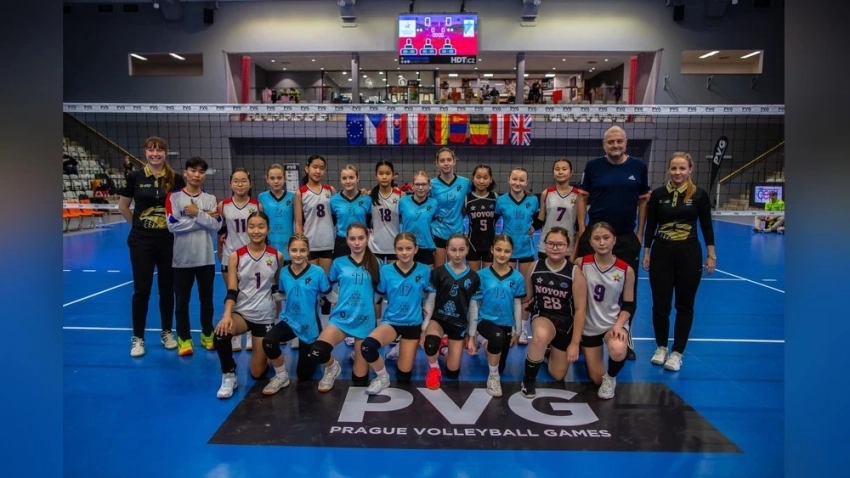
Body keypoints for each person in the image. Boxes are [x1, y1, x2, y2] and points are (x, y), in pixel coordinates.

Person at [572, 125, 650, 360]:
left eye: (619, 141)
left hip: (625, 236)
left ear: (626, 143)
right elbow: (582, 198)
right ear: (604, 145)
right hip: (596, 235)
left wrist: (639, 233)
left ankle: (625, 336)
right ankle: (582, 336)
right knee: (584, 286)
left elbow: (643, 201)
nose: (615, 145)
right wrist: (583, 229)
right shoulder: (593, 166)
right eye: (610, 142)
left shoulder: (638, 167)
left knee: (627, 289)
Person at [643, 152, 716, 371]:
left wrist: (711, 255)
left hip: (689, 254)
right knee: (661, 305)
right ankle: (661, 347)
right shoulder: (658, 195)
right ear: (668, 169)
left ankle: (677, 353)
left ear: (690, 170)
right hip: (661, 252)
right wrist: (647, 252)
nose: (677, 172)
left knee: (685, 305)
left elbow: (707, 226)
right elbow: (651, 225)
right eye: (674, 168)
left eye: (682, 168)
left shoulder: (699, 195)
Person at [118, 136, 185, 357]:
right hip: (141, 242)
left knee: (167, 289)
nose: (155, 154)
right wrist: (139, 227)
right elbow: (123, 206)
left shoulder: (175, 178)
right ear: (145, 152)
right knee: (142, 290)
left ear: (165, 153)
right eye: (151, 150)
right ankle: (138, 338)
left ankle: (167, 332)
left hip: (168, 241)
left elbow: (182, 206)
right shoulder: (135, 177)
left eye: (159, 150)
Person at [213, 211, 284, 399]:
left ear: (268, 229)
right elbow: (232, 290)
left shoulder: (277, 256)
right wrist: (226, 315)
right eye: (252, 226)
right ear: (246, 229)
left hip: (264, 316)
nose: (256, 231)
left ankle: (265, 357)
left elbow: (277, 286)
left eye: (261, 226)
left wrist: (279, 308)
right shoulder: (236, 256)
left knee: (257, 373)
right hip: (242, 314)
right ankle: (229, 375)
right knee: (220, 333)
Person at [307, 223, 380, 393]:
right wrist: (337, 300)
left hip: (364, 321)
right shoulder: (338, 263)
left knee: (360, 381)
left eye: (361, 238)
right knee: (317, 352)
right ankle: (333, 368)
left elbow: (380, 292)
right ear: (346, 240)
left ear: (367, 238)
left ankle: (358, 353)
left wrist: (368, 304)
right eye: (352, 239)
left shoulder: (376, 262)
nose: (357, 243)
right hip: (341, 318)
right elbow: (327, 288)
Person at [361, 233, 435, 394]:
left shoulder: (424, 270)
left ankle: (401, 348)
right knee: (367, 347)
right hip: (391, 322)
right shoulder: (386, 270)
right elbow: (379, 295)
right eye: (400, 249)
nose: (404, 252)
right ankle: (382, 377)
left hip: (413, 324)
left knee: (404, 377)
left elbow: (430, 296)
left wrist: (425, 326)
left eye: (408, 248)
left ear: (416, 249)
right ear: (395, 250)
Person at [520, 227, 587, 398]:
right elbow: (527, 298)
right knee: (540, 336)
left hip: (565, 323)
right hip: (543, 316)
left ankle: (547, 351)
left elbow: (580, 310)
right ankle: (528, 379)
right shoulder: (535, 266)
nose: (555, 248)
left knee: (558, 375)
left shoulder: (575, 273)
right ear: (544, 245)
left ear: (568, 247)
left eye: (560, 244)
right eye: (551, 243)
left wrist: (575, 343)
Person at [260, 234, 332, 395]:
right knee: (269, 341)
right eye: (294, 250)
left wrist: (345, 305)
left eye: (302, 250)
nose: (298, 254)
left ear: (308, 251)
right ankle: (281, 376)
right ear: (288, 251)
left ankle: (320, 358)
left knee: (304, 375)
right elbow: (282, 294)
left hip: (309, 325)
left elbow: (329, 295)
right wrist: (264, 294)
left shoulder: (318, 272)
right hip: (290, 320)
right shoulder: (284, 272)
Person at [165, 157, 221, 356]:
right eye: (193, 170)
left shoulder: (210, 199)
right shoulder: (174, 197)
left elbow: (217, 225)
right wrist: (204, 218)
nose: (197, 175)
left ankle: (207, 334)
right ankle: (184, 338)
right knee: (182, 303)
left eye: (201, 172)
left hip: (206, 259)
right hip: (182, 260)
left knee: (207, 301)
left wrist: (196, 213)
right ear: (186, 172)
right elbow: (172, 225)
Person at [579, 222, 636, 399]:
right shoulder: (581, 264)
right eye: (597, 238)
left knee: (618, 349)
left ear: (614, 240)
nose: (602, 242)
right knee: (596, 378)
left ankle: (610, 378)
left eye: (606, 238)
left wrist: (619, 325)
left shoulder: (626, 270)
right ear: (591, 242)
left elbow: (629, 305)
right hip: (588, 326)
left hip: (612, 324)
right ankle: (587, 352)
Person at [467, 235, 526, 397]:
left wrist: (518, 330)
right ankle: (493, 377)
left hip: (505, 323)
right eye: (499, 250)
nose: (502, 254)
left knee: (500, 364)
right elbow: (474, 305)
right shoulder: (481, 275)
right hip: (484, 321)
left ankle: (483, 341)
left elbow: (517, 304)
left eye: (507, 251)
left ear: (512, 253)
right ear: (492, 250)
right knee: (497, 337)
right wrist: (470, 333)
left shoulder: (517, 277)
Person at [422, 234, 481, 390]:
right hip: (438, 319)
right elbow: (430, 301)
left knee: (453, 373)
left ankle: (444, 349)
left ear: (467, 250)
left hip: (458, 324)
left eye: (461, 250)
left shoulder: (473, 277)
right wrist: (424, 329)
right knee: (430, 344)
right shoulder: (438, 272)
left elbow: (473, 308)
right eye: (453, 250)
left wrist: (471, 337)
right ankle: (434, 368)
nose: (457, 254)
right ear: (447, 250)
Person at [218, 168, 262, 352]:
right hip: (230, 256)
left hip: (251, 258)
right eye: (236, 181)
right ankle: (235, 335)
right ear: (230, 184)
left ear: (250, 183)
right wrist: (221, 254)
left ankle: (251, 332)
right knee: (233, 294)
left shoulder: (257, 205)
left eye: (244, 180)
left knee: (252, 295)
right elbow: (220, 231)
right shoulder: (223, 205)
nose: (240, 184)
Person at [494, 167, 539, 344]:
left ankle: (523, 328)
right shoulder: (501, 201)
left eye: (521, 180)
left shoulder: (533, 200)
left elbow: (539, 219)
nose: (517, 183)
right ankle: (509, 325)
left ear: (526, 182)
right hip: (507, 251)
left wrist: (534, 227)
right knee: (508, 289)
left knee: (526, 291)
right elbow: (493, 222)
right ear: (508, 179)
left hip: (526, 249)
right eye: (514, 179)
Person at [430, 148, 472, 268]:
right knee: (438, 271)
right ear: (437, 163)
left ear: (454, 161)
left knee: (455, 270)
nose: (446, 163)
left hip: (457, 231)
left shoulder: (465, 183)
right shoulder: (431, 184)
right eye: (442, 160)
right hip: (437, 231)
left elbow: (472, 201)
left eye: (449, 160)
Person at [536, 159, 579, 260]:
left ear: (571, 172)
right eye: (557, 169)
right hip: (547, 244)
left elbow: (579, 226)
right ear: (553, 172)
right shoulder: (546, 193)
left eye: (564, 169)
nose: (560, 172)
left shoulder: (578, 195)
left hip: (567, 245)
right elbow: (541, 219)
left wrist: (575, 250)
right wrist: (531, 227)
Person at [398, 171, 439, 267]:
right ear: (412, 186)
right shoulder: (403, 201)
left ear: (429, 186)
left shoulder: (434, 203)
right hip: (407, 247)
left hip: (426, 247)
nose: (420, 188)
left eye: (424, 184)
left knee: (426, 275)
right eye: (417, 184)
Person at [329, 165, 370, 259]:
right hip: (341, 242)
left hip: (361, 241)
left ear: (358, 178)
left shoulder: (367, 199)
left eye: (351, 177)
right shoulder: (334, 200)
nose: (348, 181)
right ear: (340, 180)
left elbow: (369, 223)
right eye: (344, 178)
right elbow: (333, 222)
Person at [464, 164, 497, 272]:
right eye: (478, 177)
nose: (481, 181)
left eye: (485, 177)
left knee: (488, 277)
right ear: (473, 178)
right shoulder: (467, 199)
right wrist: (463, 234)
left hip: (490, 245)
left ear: (490, 180)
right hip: (473, 245)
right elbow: (458, 217)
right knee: (474, 277)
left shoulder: (495, 198)